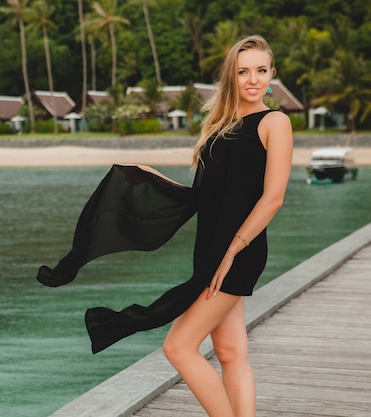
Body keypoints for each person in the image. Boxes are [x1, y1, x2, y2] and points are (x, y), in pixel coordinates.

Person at [37, 34, 292, 417]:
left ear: (272, 74)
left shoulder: (275, 122)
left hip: (239, 250)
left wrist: (232, 252)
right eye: (243, 71)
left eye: (260, 70)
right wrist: (156, 177)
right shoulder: (219, 126)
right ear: (230, 77)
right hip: (212, 249)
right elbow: (210, 197)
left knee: (178, 347)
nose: (252, 79)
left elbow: (272, 198)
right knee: (230, 352)